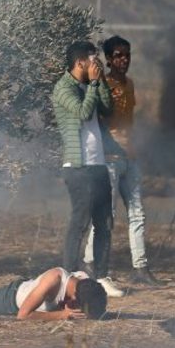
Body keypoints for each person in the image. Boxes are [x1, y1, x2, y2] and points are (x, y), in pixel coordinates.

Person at [85, 36, 163, 287]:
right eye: (117, 55)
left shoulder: (129, 84)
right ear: (108, 59)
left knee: (137, 214)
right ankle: (89, 263)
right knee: (107, 215)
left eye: (126, 55)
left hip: (130, 158)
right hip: (108, 159)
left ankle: (140, 267)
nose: (123, 60)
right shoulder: (101, 85)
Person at [51, 41, 124, 298]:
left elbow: (106, 108)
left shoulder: (91, 83)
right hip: (78, 167)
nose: (97, 65)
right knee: (80, 222)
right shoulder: (63, 88)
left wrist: (100, 81)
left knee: (104, 222)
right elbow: (83, 113)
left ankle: (102, 277)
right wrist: (93, 84)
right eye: (93, 61)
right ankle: (67, 277)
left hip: (98, 163)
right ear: (80, 63)